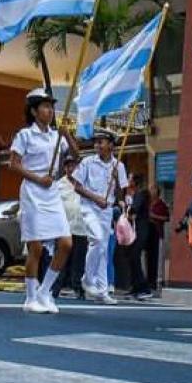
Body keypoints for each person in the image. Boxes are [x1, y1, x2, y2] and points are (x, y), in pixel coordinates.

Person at [8, 88, 79, 314]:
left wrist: (67, 134)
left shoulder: (55, 136)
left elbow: (76, 155)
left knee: (66, 243)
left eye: (51, 106)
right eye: (45, 106)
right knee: (36, 247)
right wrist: (39, 178)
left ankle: (45, 291)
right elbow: (14, 163)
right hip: (32, 192)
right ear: (34, 111)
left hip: (52, 193)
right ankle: (30, 297)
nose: (50, 110)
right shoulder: (24, 135)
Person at [70, 128, 127, 305]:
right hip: (89, 208)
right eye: (96, 142)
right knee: (97, 239)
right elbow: (77, 187)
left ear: (111, 145)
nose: (97, 145)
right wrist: (96, 198)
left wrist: (117, 180)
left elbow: (121, 195)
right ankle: (87, 279)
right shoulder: (87, 162)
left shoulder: (119, 166)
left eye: (101, 142)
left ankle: (102, 291)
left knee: (102, 249)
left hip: (106, 210)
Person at [53, 156, 89, 299]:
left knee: (78, 261)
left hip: (81, 227)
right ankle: (55, 288)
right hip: (64, 228)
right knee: (61, 259)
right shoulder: (58, 185)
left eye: (73, 166)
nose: (70, 169)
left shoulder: (85, 183)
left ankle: (78, 288)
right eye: (68, 166)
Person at [126, 173, 153, 300]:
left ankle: (144, 288)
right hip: (136, 229)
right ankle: (135, 287)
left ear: (135, 182)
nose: (127, 181)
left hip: (141, 230)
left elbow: (134, 209)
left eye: (129, 179)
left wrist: (127, 209)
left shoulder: (140, 194)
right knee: (132, 258)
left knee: (135, 257)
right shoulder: (137, 194)